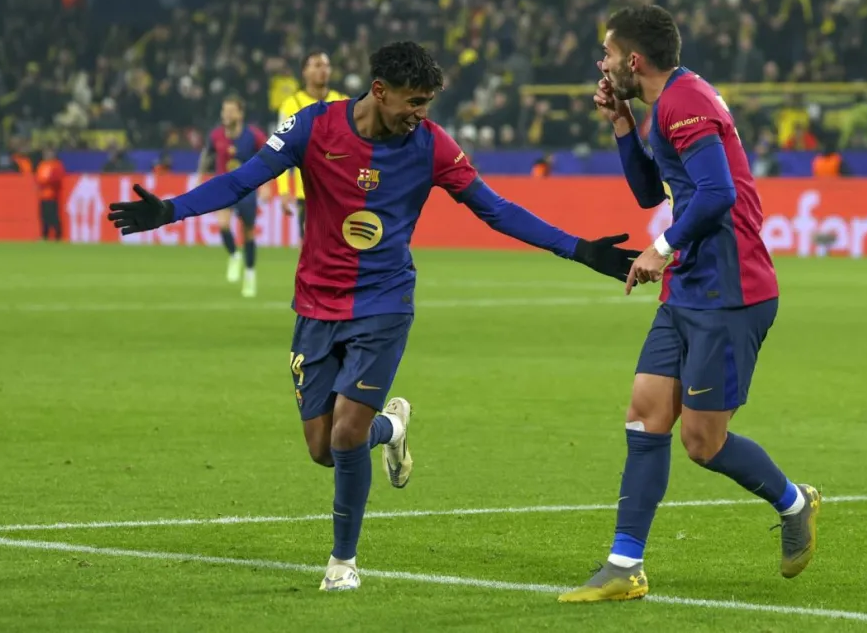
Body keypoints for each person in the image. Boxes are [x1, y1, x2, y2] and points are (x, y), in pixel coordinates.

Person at [107, 41, 638, 593]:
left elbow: (496, 210)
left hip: (383, 304)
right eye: (414, 101)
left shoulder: (432, 146)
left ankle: (343, 562)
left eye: (428, 102)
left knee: (345, 434)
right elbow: (244, 179)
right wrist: (171, 209)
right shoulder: (314, 126)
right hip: (316, 304)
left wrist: (579, 249)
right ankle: (393, 427)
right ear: (379, 91)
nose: (421, 113)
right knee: (323, 448)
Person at [557, 6, 820, 604]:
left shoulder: (685, 101)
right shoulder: (665, 105)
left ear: (633, 59)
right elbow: (651, 191)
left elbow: (718, 193)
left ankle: (794, 502)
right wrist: (622, 125)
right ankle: (625, 566)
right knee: (645, 415)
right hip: (689, 289)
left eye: (607, 53)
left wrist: (662, 246)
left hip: (731, 291)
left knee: (703, 443)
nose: (601, 63)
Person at [200, 94, 269, 297]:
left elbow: (269, 156)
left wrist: (266, 185)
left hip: (247, 188)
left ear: (240, 114)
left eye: (231, 111)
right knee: (223, 224)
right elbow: (207, 155)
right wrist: (200, 177)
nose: (226, 114)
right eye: (224, 110)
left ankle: (250, 274)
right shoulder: (216, 135)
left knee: (248, 233)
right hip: (224, 187)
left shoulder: (253, 135)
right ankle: (234, 255)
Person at [276, 51, 349, 238]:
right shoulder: (292, 105)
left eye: (326, 65)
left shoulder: (343, 101)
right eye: (317, 65)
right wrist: (284, 190)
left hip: (338, 191)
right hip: (308, 192)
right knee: (311, 248)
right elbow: (281, 149)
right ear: (305, 72)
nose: (323, 70)